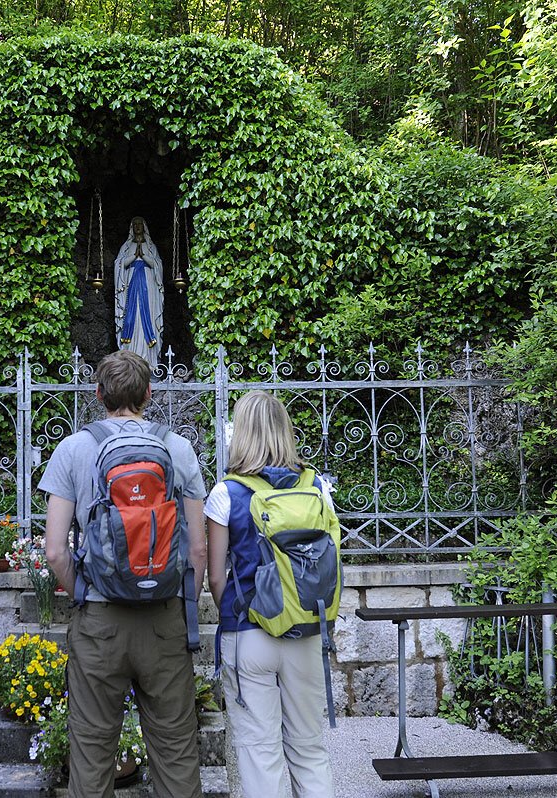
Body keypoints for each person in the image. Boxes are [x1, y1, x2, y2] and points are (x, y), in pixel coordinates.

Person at [42, 350, 206, 798]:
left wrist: (83, 592)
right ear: (149, 394)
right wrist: (183, 603)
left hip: (100, 622)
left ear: (98, 395)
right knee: (175, 750)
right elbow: (197, 547)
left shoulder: (73, 449)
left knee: (92, 753)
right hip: (164, 619)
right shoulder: (178, 448)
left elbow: (55, 550)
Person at [205, 391, 336, 798]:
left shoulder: (226, 493)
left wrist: (238, 615)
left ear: (241, 433)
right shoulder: (317, 488)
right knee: (309, 748)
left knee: (260, 752)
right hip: (306, 632)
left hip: (248, 634)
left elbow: (215, 578)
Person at [113, 216, 164, 369]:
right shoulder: (126, 246)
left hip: (149, 288)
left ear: (144, 227)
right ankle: (130, 357)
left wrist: (144, 256)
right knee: (131, 319)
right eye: (134, 224)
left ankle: (149, 360)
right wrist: (134, 256)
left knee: (148, 317)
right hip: (131, 287)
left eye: (140, 224)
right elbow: (119, 265)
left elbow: (158, 266)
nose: (137, 227)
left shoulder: (151, 246)